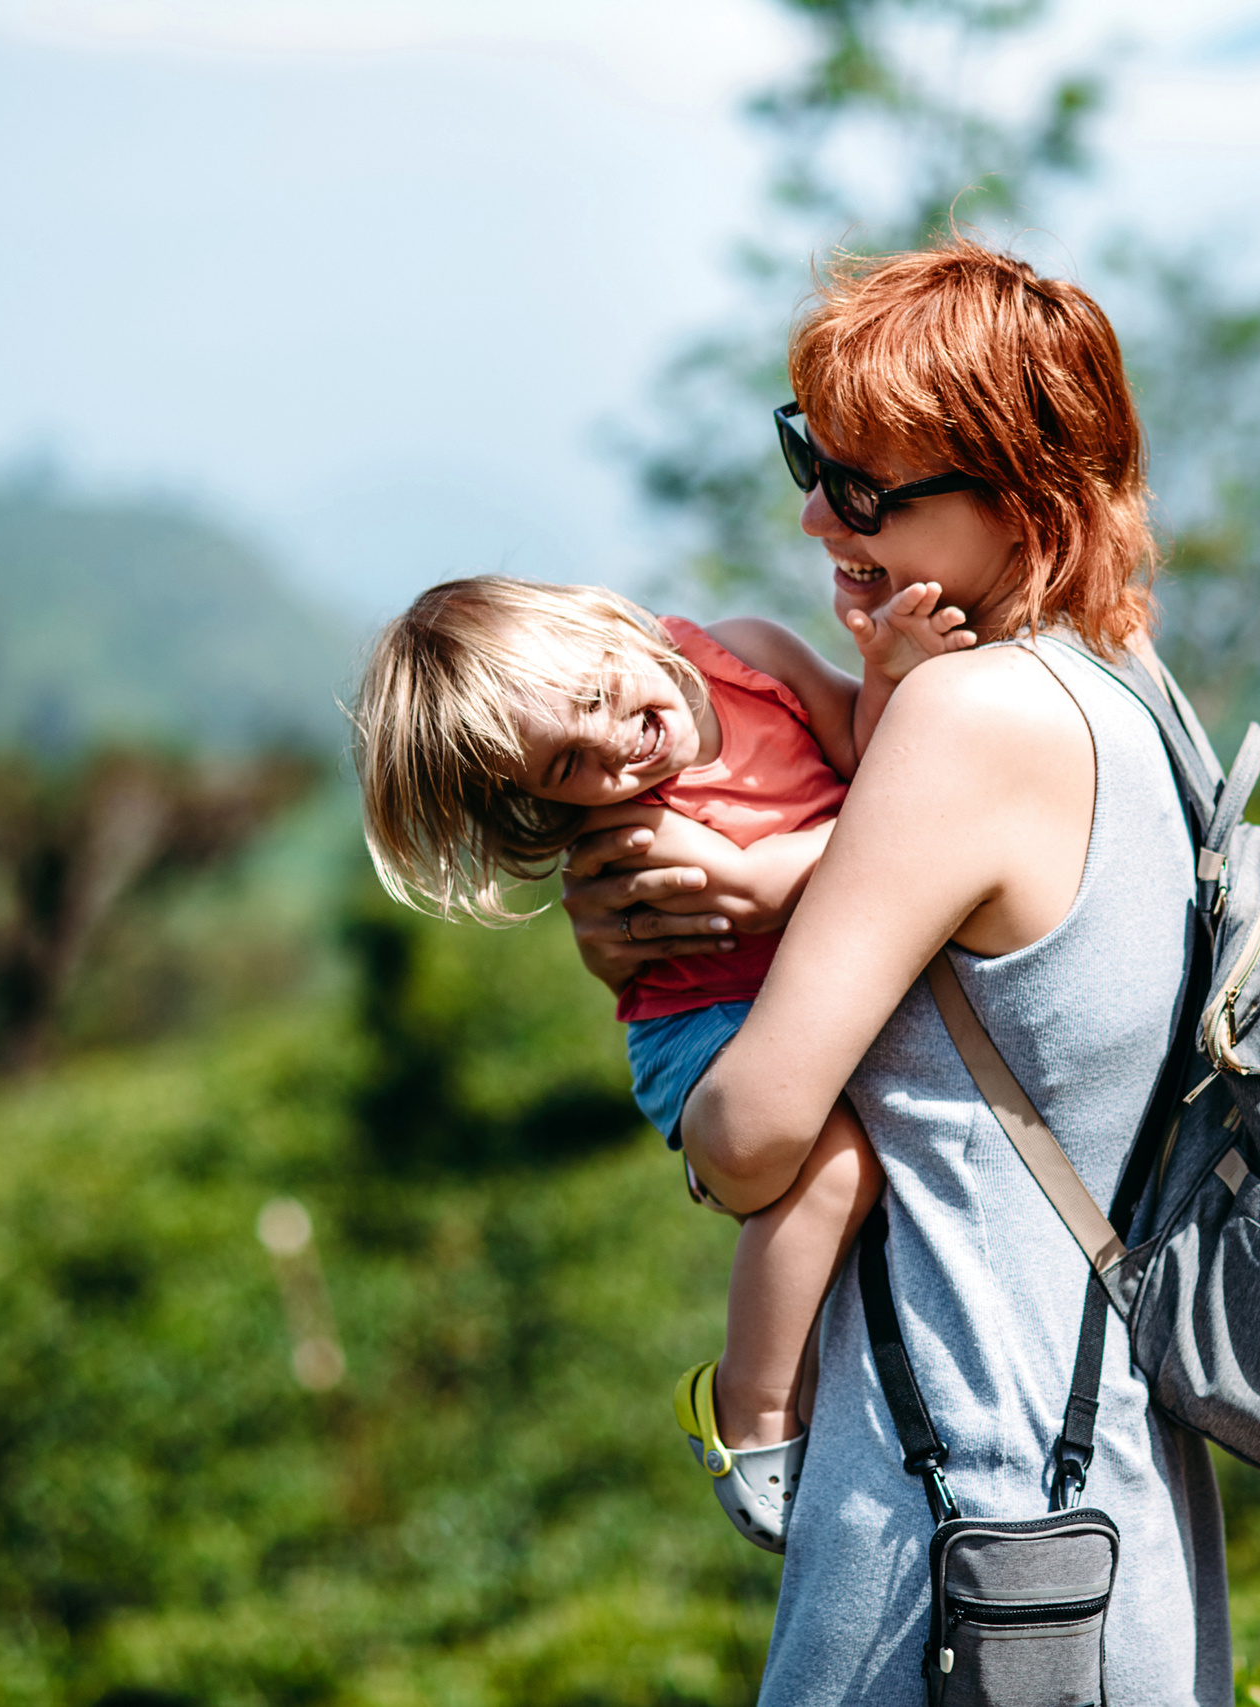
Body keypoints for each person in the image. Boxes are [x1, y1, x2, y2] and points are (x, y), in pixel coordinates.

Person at [562, 239, 1232, 1705]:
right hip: (1111, 1483)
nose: (816, 511)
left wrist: (677, 1050)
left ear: (1022, 498)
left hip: (953, 1499)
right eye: (812, 458)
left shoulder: (962, 717)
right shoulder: (1126, 684)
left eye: (866, 487)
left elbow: (753, 1140)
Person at [350, 572, 975, 1549]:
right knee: (833, 1166)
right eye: (569, 762)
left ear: (613, 625)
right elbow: (831, 861)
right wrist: (804, 865)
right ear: (539, 801)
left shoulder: (751, 658)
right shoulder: (635, 827)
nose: (616, 744)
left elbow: (866, 758)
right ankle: (750, 1406)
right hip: (710, 1025)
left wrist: (889, 673)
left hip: (820, 992)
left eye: (599, 695)